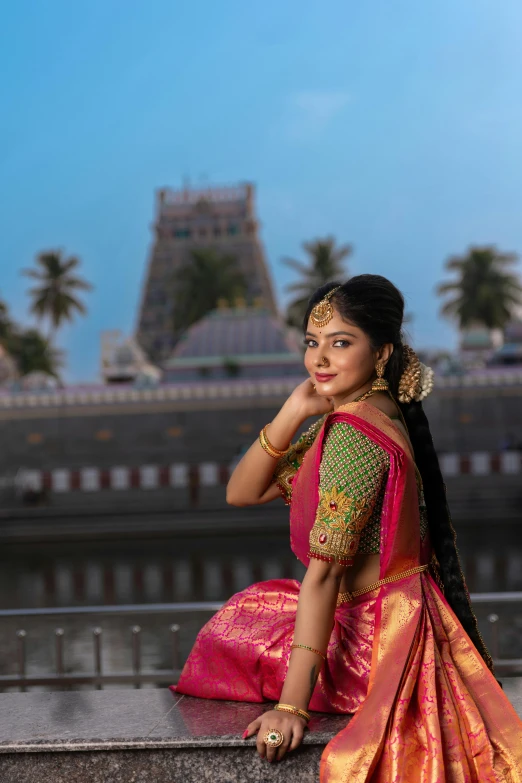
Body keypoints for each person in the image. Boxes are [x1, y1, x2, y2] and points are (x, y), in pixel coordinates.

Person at [172, 275, 522, 781]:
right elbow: (242, 492)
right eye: (312, 344)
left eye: (340, 343)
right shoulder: (370, 414)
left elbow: (325, 577)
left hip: (375, 647)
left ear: (380, 354)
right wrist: (294, 409)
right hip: (399, 617)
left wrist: (291, 709)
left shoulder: (352, 437)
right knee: (251, 610)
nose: (320, 359)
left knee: (233, 635)